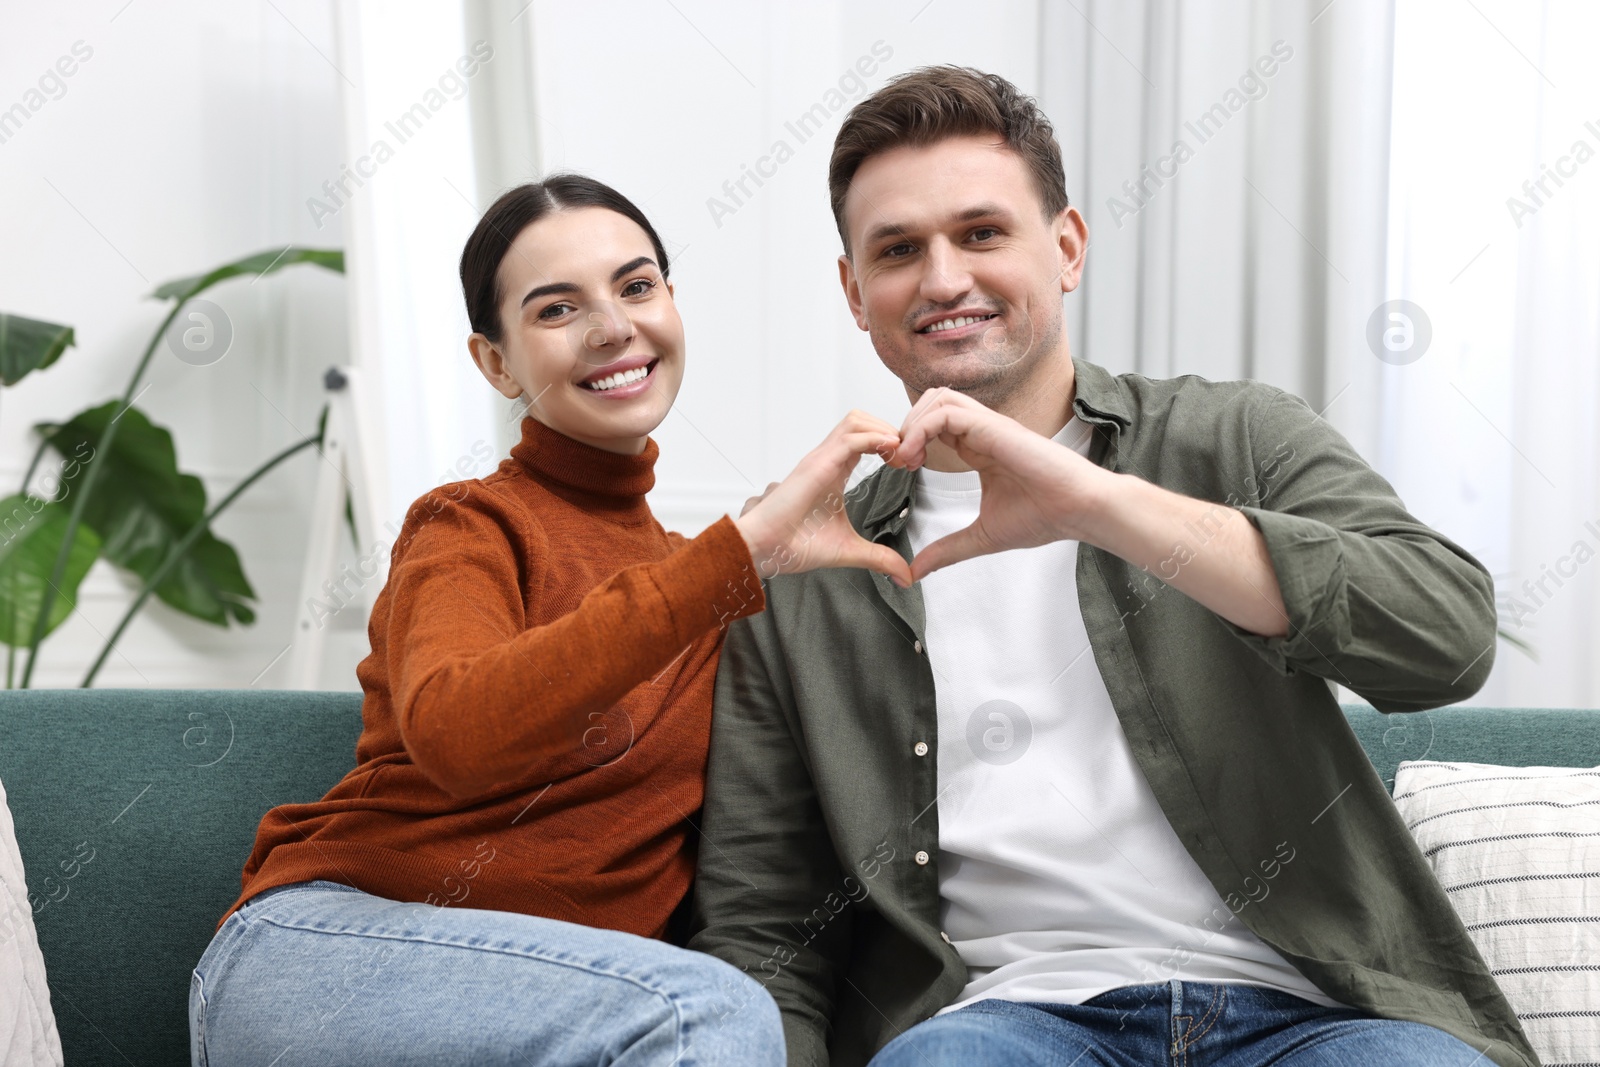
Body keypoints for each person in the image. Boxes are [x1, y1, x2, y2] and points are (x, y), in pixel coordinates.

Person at [689, 66, 1539, 1067]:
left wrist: (1101, 503)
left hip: (1314, 1011)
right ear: (854, 293)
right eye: (897, 249)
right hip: (1003, 1022)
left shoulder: (1237, 437)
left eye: (981, 232)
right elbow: (764, 923)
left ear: (1067, 247)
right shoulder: (802, 571)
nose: (943, 277)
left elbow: (1446, 639)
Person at [188, 173, 912, 1066]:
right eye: (558, 309)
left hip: (559, 1009)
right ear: (496, 363)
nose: (613, 327)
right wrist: (736, 555)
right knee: (705, 1016)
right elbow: (459, 730)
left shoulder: (708, 585)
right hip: (322, 955)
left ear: (672, 307)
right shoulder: (466, 525)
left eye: (637, 286)